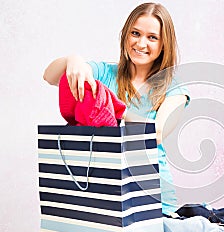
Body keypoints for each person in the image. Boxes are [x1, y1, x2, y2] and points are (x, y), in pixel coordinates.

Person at [43, 2, 190, 216]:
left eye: (152, 37)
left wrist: (113, 107)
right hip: (104, 187)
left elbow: (155, 133)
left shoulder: (174, 88)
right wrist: (73, 60)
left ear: (164, 45)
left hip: (152, 193)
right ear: (125, 36)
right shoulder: (104, 73)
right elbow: (50, 76)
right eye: (135, 33)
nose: (140, 43)